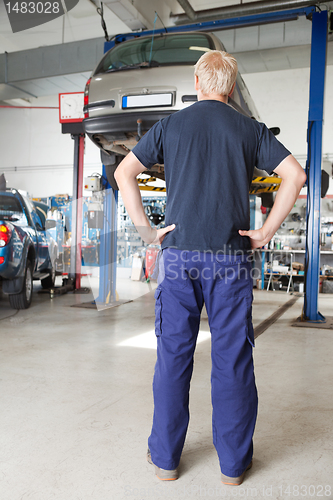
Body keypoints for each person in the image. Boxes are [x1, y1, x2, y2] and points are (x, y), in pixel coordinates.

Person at [114, 50, 306, 486]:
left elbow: (125, 174)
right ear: (231, 87)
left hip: (179, 257)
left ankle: (165, 461)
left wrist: (147, 231)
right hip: (231, 257)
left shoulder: (170, 126)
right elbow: (295, 175)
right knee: (232, 360)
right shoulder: (248, 129)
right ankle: (233, 469)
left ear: (197, 83)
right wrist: (264, 232)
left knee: (172, 358)